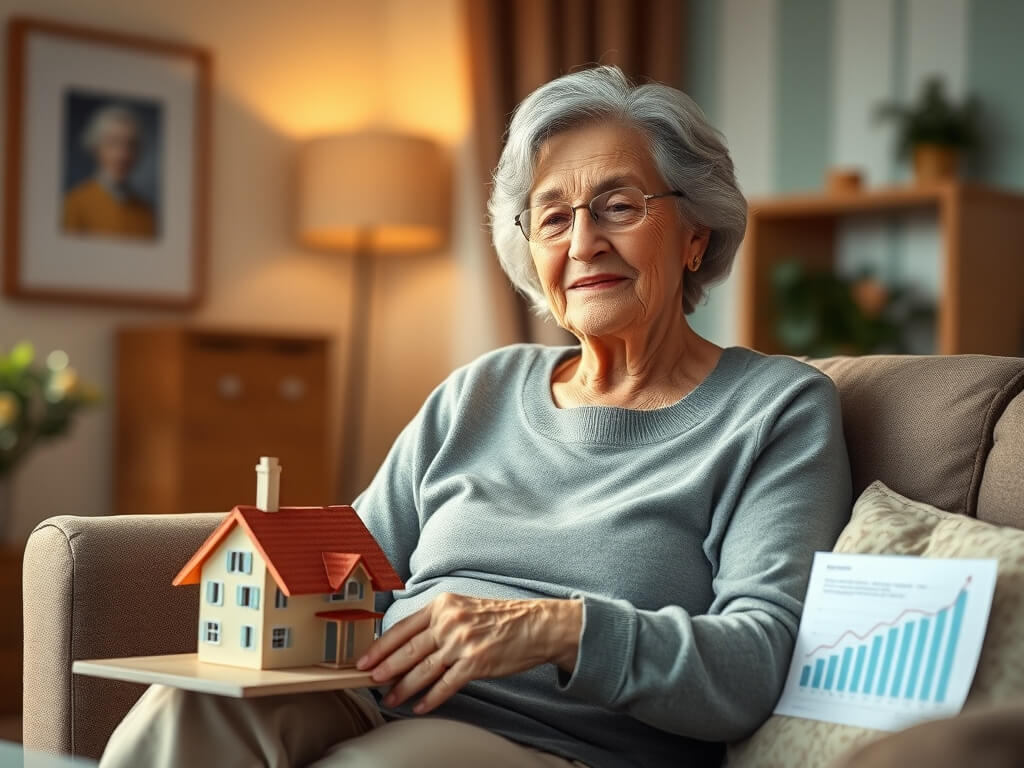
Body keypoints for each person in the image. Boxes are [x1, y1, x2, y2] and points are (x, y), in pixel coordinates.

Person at [100, 65, 852, 768]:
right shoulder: (481, 390)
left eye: (619, 207)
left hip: (553, 746)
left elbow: (756, 662)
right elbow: (354, 579)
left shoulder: (773, 409)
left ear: (696, 235)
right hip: (374, 700)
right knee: (184, 711)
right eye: (553, 218)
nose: (584, 241)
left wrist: (550, 629)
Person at [62, 103, 156, 238]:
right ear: (96, 147)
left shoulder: (146, 213)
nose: (122, 155)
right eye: (113, 143)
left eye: (130, 145)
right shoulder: (74, 204)